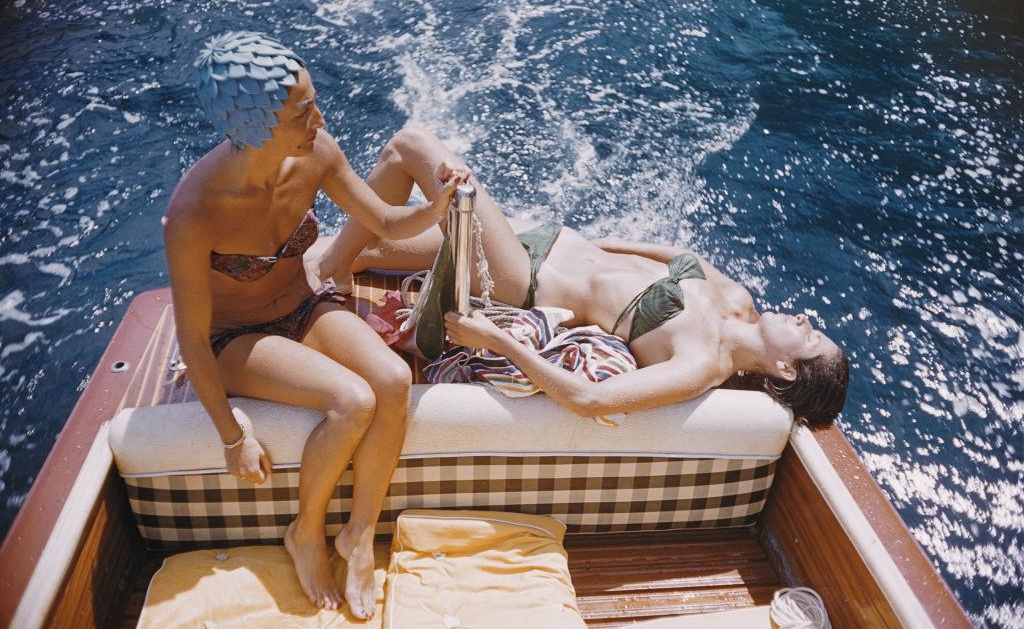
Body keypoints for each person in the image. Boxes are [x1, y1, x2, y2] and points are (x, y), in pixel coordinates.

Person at [163, 32, 466, 618]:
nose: (320, 119)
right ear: (252, 123)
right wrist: (233, 436)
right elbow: (193, 338)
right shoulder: (195, 211)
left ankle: (357, 535)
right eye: (304, 112)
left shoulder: (316, 153)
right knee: (351, 400)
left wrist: (435, 207)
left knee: (394, 382)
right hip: (235, 340)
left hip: (304, 307)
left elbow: (383, 220)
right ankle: (305, 532)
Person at [314, 127, 849, 430]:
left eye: (809, 336)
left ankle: (332, 272)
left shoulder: (702, 364)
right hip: (543, 239)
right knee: (371, 244)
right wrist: (593, 240)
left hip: (520, 277)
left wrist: (496, 339)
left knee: (409, 148)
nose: (804, 319)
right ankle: (327, 267)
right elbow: (677, 254)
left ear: (783, 371)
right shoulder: (738, 298)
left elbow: (590, 400)